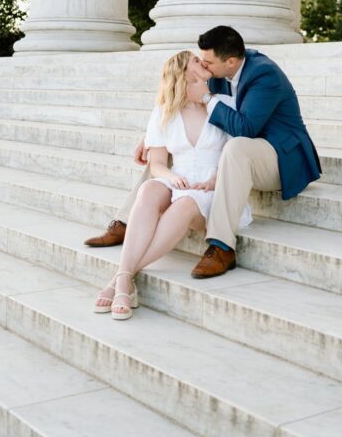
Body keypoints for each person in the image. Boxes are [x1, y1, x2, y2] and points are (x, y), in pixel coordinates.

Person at [85, 24, 321, 280]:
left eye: (207, 62)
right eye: (201, 61)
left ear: (230, 62)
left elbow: (245, 128)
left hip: (279, 156)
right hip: (242, 149)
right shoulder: (220, 70)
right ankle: (127, 221)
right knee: (169, 152)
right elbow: (184, 109)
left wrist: (208, 100)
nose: (204, 67)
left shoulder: (265, 75)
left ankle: (221, 246)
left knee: (235, 146)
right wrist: (154, 135)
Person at [92, 50, 251, 320]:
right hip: (180, 182)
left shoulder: (225, 103)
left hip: (213, 188)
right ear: (184, 73)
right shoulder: (163, 111)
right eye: (197, 62)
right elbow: (157, 165)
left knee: (185, 203)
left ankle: (122, 279)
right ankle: (124, 280)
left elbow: (235, 150)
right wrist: (170, 178)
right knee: (149, 189)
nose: (204, 63)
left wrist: (216, 178)